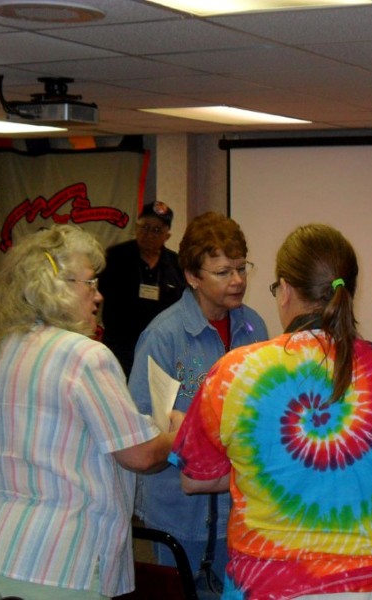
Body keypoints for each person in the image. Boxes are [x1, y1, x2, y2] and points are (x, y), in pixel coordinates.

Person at [170, 223, 372, 599]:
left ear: (286, 290)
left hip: (267, 586)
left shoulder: (234, 372)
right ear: (349, 291)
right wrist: (363, 471)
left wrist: (272, 469)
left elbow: (194, 479)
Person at [0, 224, 182, 599]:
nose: (98, 296)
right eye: (89, 283)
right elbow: (140, 454)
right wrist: (179, 433)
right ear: (52, 285)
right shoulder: (83, 356)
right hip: (50, 563)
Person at [129, 211, 268, 594]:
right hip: (179, 509)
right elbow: (143, 428)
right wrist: (194, 439)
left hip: (240, 509)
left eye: (242, 268)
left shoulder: (254, 326)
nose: (238, 280)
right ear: (192, 277)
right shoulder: (164, 336)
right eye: (224, 272)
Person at [100, 200, 186, 375]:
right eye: (145, 227)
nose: (149, 235)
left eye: (156, 230)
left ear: (167, 236)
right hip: (120, 349)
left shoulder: (176, 264)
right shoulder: (115, 257)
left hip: (161, 349)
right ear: (136, 228)